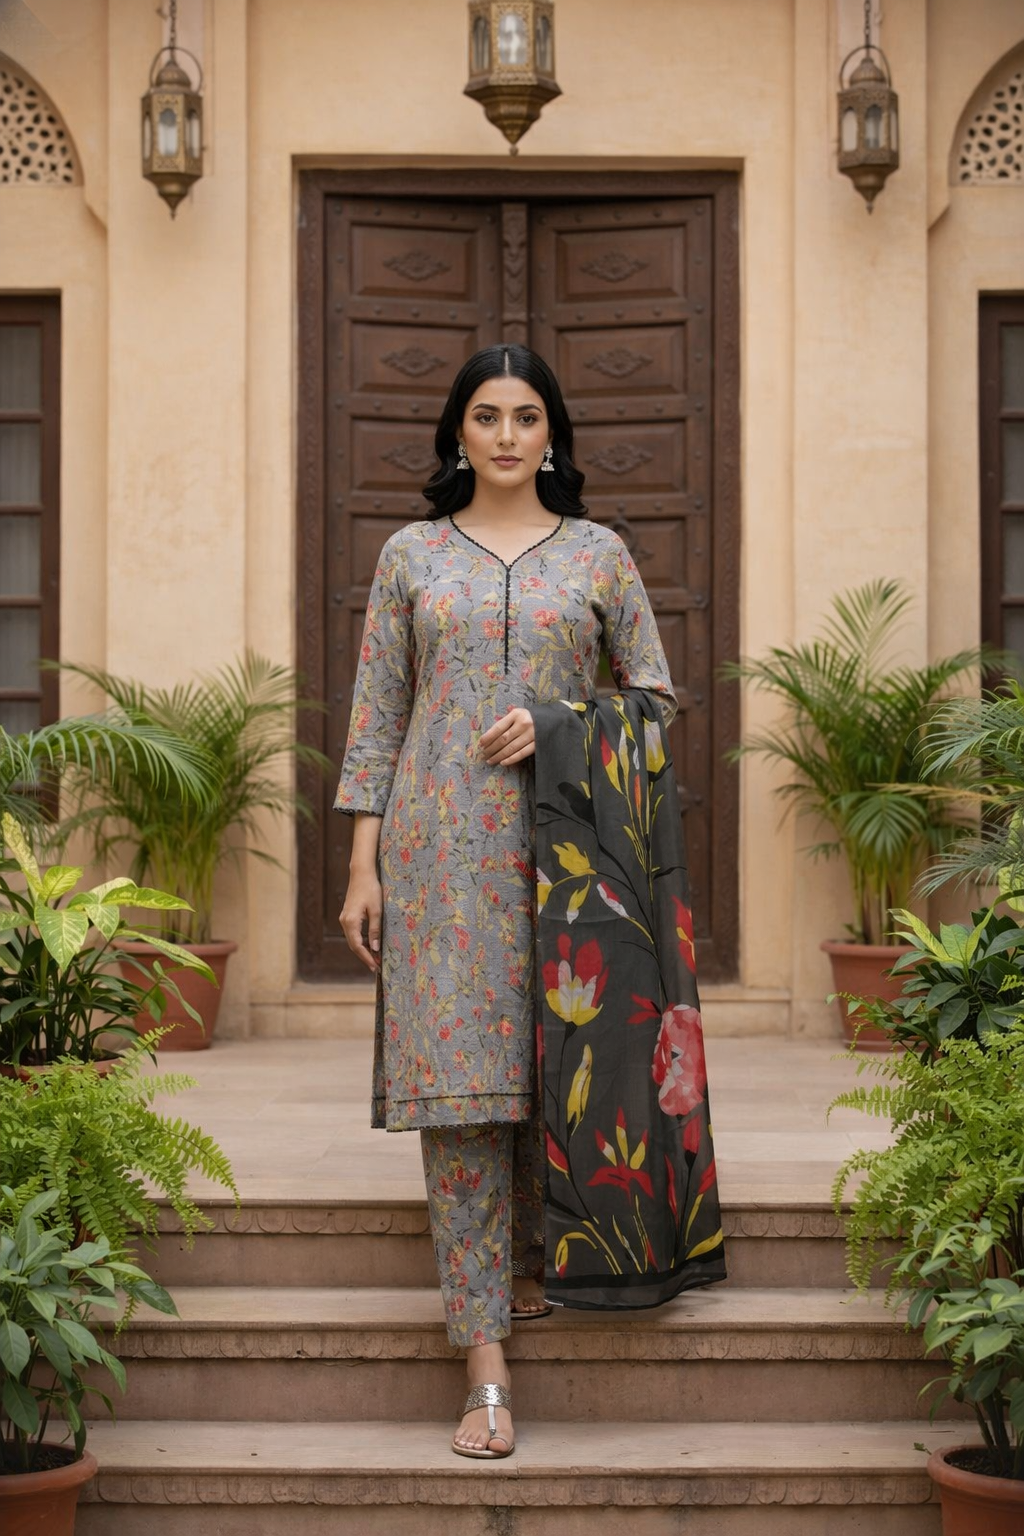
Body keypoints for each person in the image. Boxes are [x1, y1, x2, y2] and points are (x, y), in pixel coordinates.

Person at [335, 344, 677, 1459]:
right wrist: (361, 863)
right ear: (456, 434)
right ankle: (482, 1359)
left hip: (570, 852)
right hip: (440, 854)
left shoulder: (599, 556)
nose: (506, 436)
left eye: (526, 417)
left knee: (550, 1066)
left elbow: (656, 699)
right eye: (485, 416)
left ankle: (536, 1259)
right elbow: (378, 714)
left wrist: (560, 721)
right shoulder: (409, 557)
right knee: (464, 1083)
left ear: (551, 435)